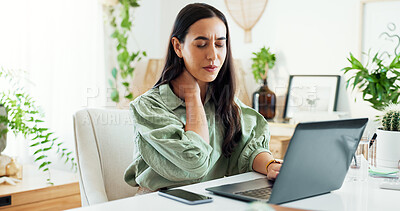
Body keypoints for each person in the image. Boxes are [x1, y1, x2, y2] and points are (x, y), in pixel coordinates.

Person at [124, 3, 281, 195]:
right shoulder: (148, 107)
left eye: (220, 44)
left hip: (209, 197)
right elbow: (195, 161)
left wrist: (271, 165)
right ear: (177, 46)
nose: (213, 55)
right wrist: (192, 95)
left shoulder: (225, 102)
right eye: (201, 44)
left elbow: (247, 150)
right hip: (160, 201)